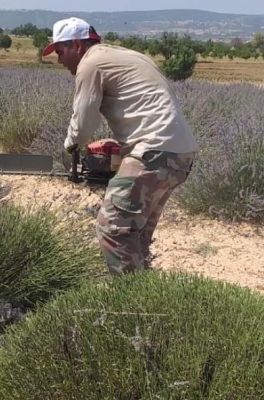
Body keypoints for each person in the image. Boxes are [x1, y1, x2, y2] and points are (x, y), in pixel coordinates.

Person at [42, 17, 199, 276]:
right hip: (179, 153)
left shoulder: (90, 63)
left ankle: (130, 302)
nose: (59, 60)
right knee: (135, 234)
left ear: (78, 46)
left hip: (152, 152)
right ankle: (148, 296)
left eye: (60, 52)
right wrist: (122, 144)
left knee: (112, 227)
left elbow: (83, 123)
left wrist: (69, 147)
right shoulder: (125, 55)